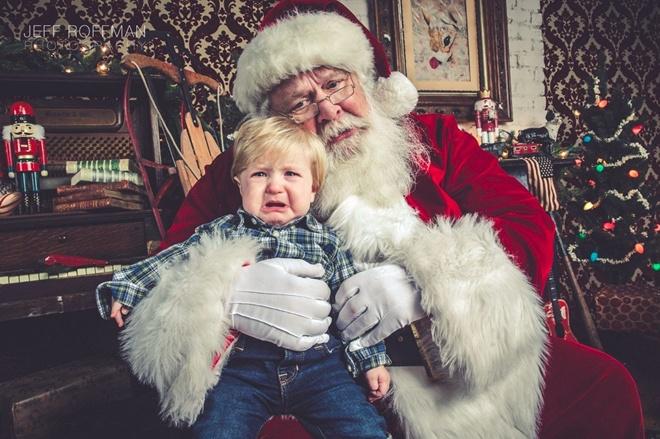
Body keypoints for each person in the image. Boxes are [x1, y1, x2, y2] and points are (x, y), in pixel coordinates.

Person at [121, 1, 645, 438]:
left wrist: (429, 286)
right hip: (315, 377)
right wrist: (228, 294)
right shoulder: (245, 167)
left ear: (368, 81)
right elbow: (175, 260)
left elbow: (526, 220)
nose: (328, 111)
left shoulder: (436, 139)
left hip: (455, 356)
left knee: (605, 387)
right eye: (300, 102)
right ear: (274, 120)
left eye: (335, 83)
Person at [96, 116, 392, 437]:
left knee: (364, 428)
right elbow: (175, 260)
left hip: (319, 367)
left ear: (313, 188)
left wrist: (370, 360)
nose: (275, 186)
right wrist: (129, 285)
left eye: (291, 174)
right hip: (241, 370)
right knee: (218, 429)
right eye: (260, 174)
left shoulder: (328, 241)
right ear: (240, 183)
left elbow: (353, 310)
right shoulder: (223, 231)